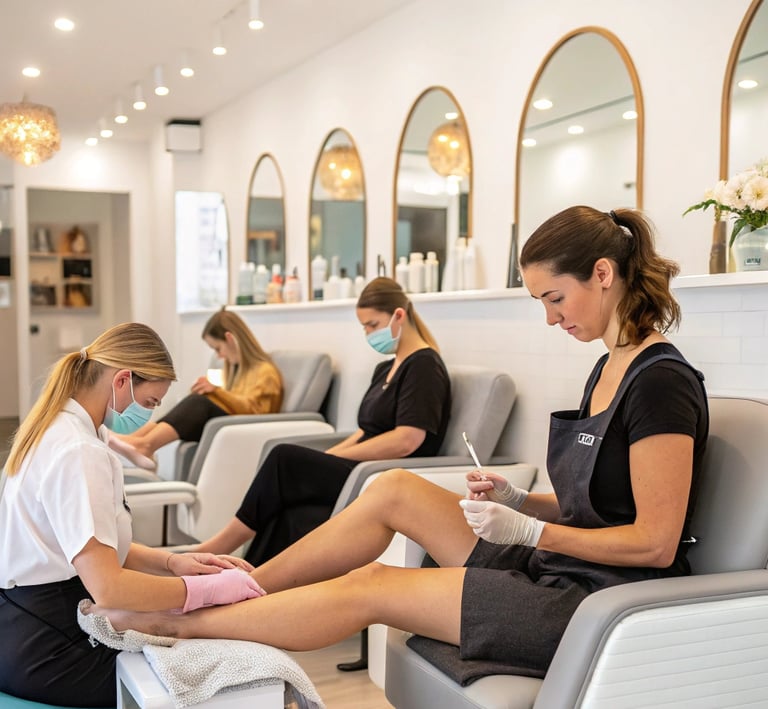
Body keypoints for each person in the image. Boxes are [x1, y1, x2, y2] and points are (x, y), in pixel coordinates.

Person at [86, 207, 709, 682]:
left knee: (373, 584)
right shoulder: (606, 367)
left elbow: (654, 544)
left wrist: (529, 530)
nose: (550, 317)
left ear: (602, 274)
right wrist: (521, 500)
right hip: (555, 564)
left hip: (594, 599)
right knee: (395, 490)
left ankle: (180, 623)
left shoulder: (660, 383)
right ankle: (236, 589)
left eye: (554, 298)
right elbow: (592, 507)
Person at [0, 323, 263, 707]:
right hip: (50, 648)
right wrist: (203, 591)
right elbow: (110, 588)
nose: (150, 413)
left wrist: (173, 562)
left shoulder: (68, 429)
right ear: (122, 380)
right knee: (226, 676)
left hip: (29, 627)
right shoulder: (78, 451)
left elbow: (91, 546)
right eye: (151, 402)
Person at [194, 276, 452, 566]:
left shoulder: (424, 365)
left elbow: (407, 440)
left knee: (283, 458)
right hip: (361, 465)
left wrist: (338, 458)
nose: (368, 334)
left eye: (372, 325)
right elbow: (365, 431)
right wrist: (329, 456)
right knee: (289, 509)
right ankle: (248, 578)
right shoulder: (385, 368)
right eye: (364, 327)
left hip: (382, 472)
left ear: (399, 316)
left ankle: (218, 547)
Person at [109, 307, 283, 470]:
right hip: (229, 425)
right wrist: (212, 391)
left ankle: (145, 444)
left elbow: (257, 411)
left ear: (230, 339)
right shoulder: (238, 370)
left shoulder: (265, 372)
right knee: (197, 399)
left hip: (247, 428)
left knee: (199, 403)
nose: (219, 356)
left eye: (218, 348)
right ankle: (136, 439)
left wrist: (216, 392)